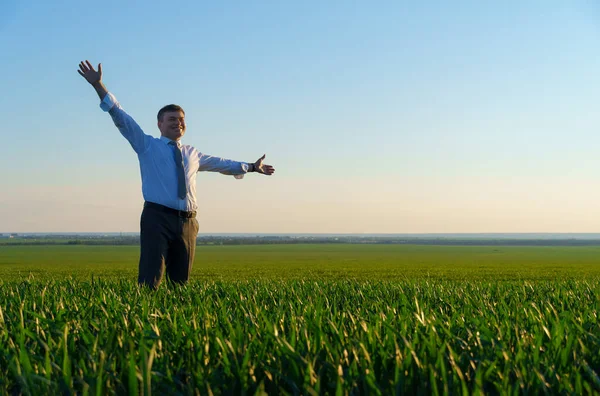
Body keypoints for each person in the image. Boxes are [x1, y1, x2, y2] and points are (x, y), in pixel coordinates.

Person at [78, 60, 275, 289]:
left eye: (181, 120)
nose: (178, 123)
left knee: (181, 283)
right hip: (157, 218)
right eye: (172, 119)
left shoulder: (192, 154)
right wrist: (98, 85)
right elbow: (121, 117)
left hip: (189, 222)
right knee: (150, 278)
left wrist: (251, 167)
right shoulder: (147, 145)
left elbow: (223, 164)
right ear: (160, 124)